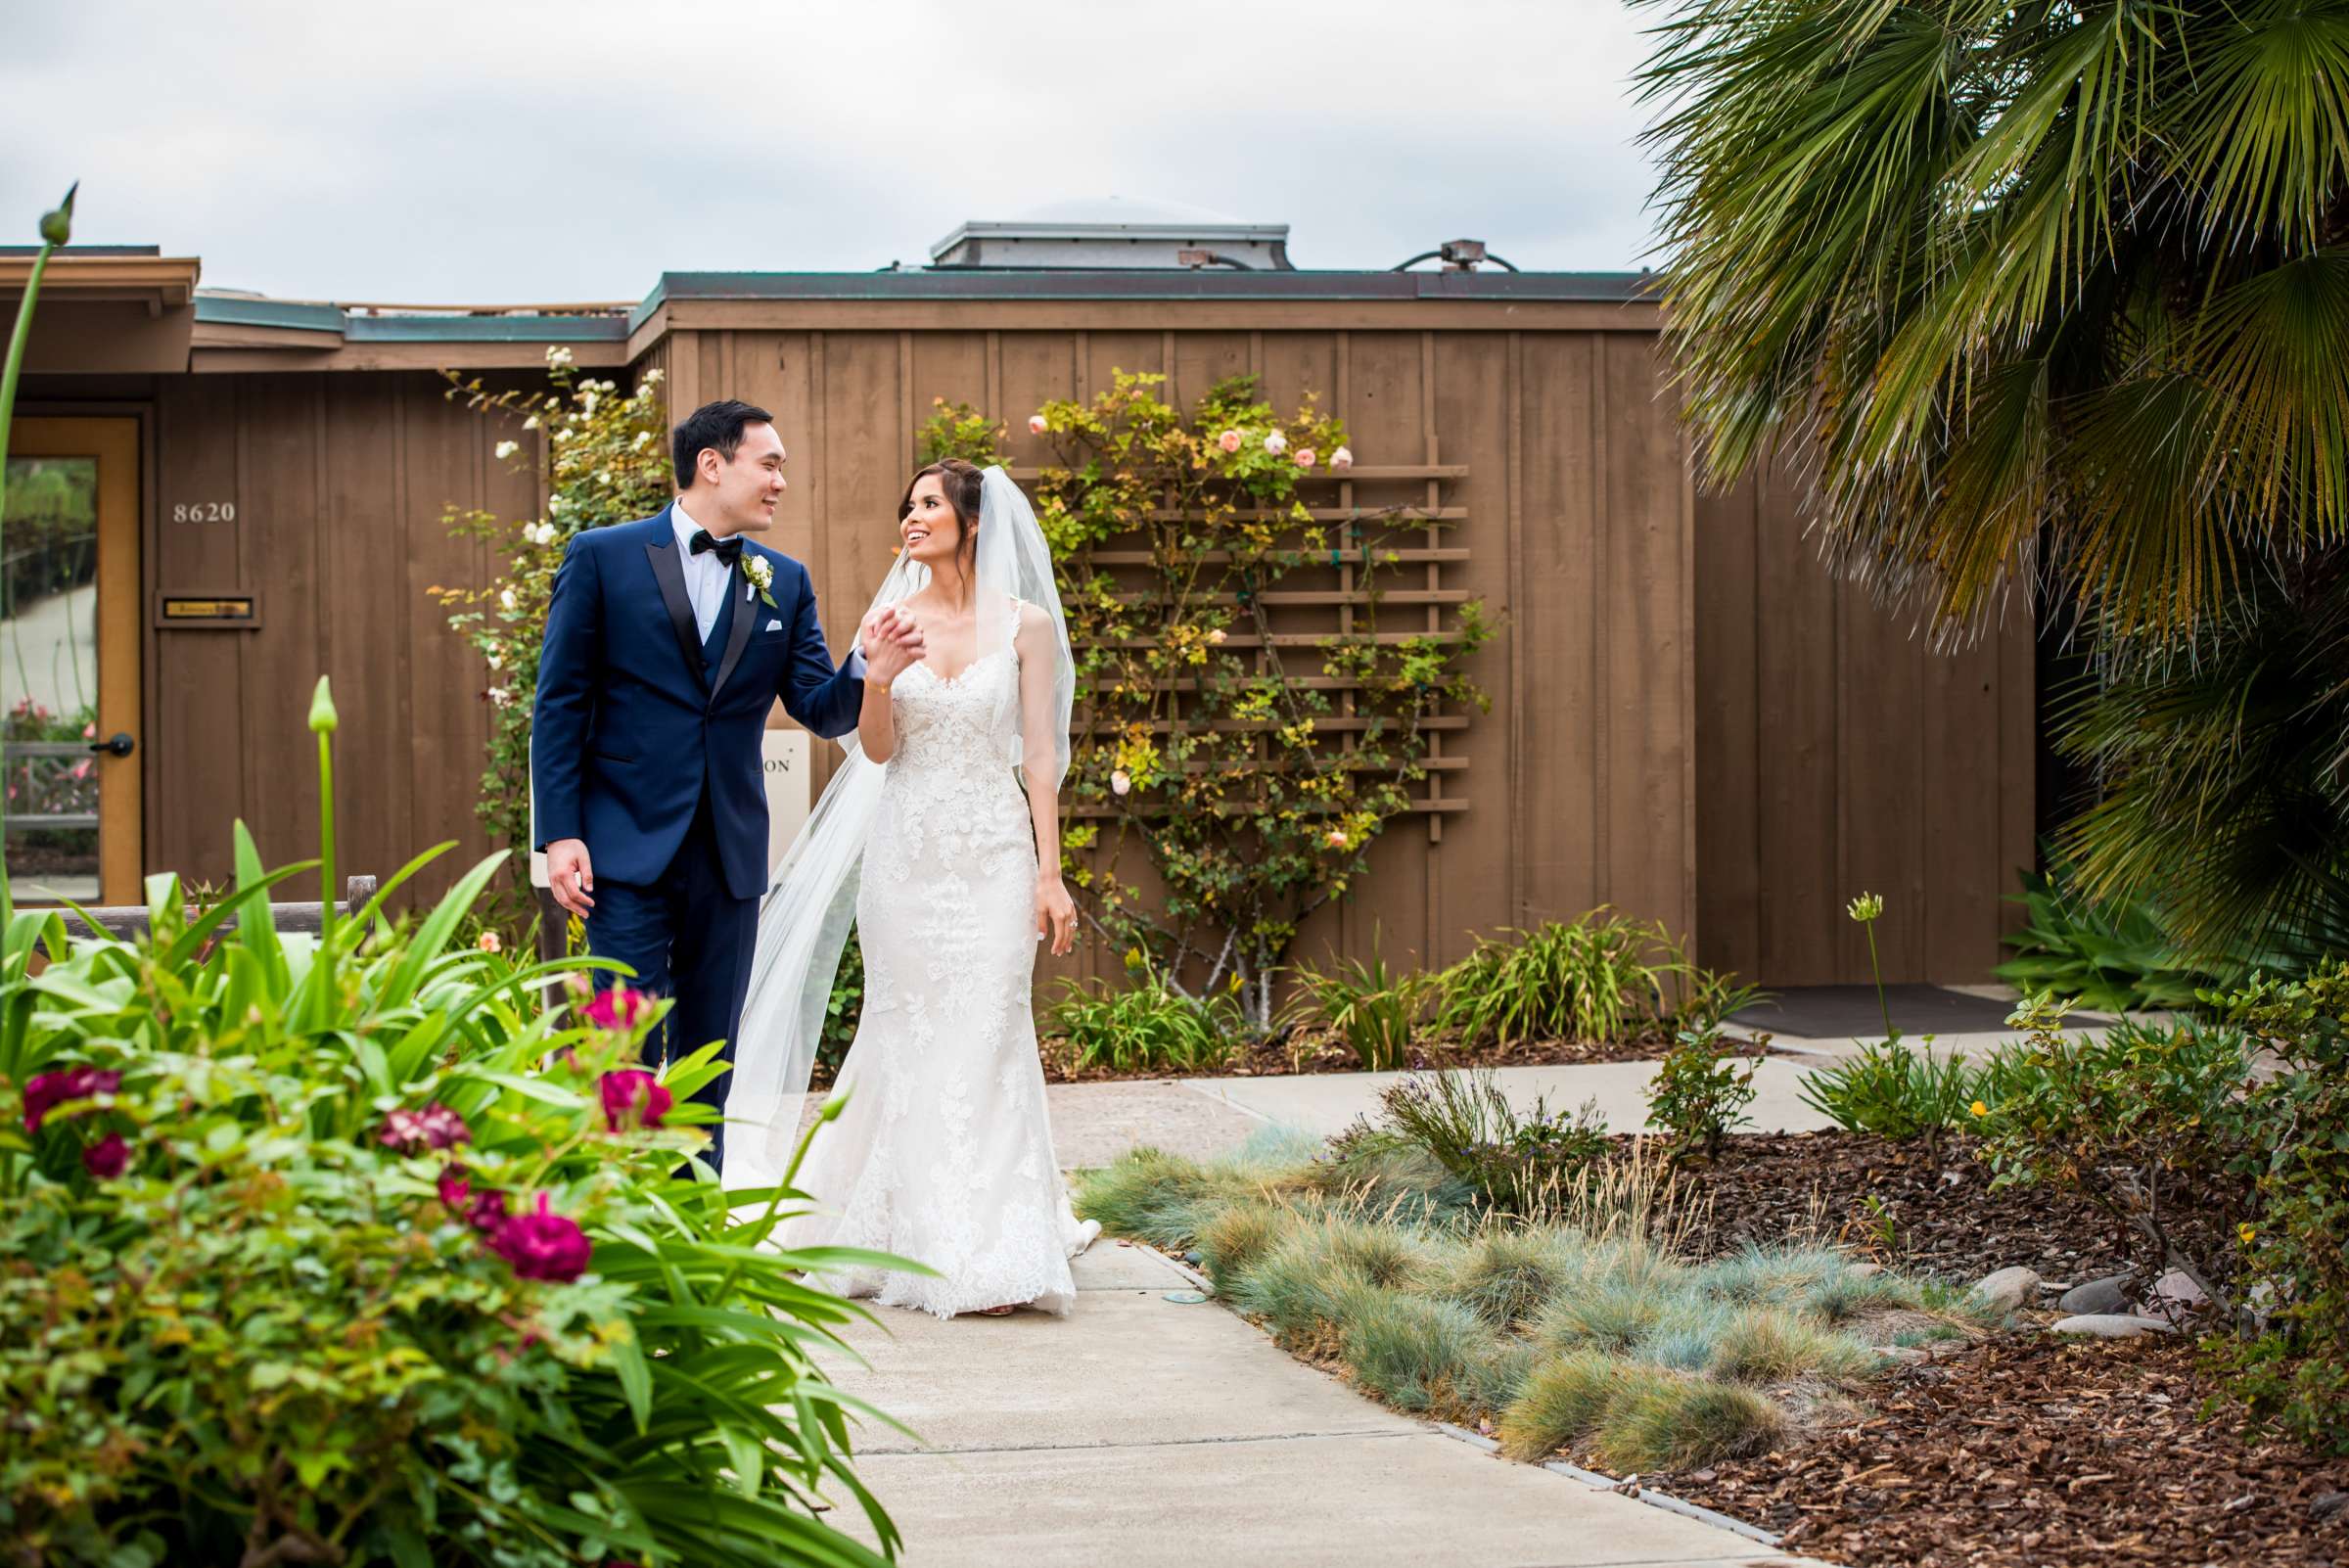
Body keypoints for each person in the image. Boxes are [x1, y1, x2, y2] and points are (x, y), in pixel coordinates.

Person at [731, 459, 1100, 1317]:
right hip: (905, 857)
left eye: (930, 503)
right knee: (904, 1030)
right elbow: (879, 750)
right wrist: (882, 675)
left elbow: (1039, 756)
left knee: (989, 1031)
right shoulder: (887, 619)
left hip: (994, 854)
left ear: (973, 521)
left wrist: (1050, 873)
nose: (912, 515)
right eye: (909, 504)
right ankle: (900, 1227)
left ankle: (990, 1243)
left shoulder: (1027, 625)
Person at [530, 399, 923, 1172]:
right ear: (713, 463)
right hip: (622, 852)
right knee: (624, 1056)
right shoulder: (602, 557)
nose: (780, 480)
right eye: (769, 463)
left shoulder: (785, 580)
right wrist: (561, 834)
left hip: (730, 856)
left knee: (709, 1060)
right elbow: (559, 703)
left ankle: (696, 1235)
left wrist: (868, 667)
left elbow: (819, 706)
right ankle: (623, 1225)